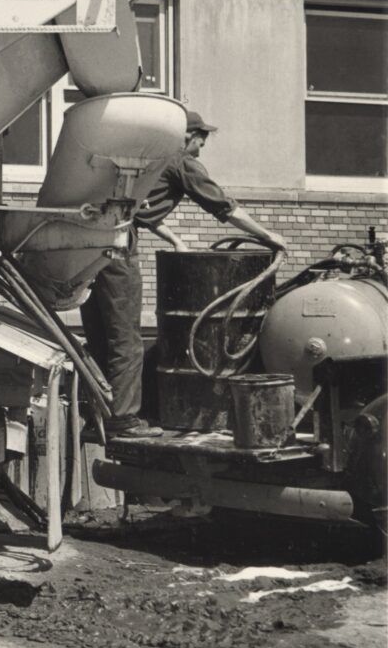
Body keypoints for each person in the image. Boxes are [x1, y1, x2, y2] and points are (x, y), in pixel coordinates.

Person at [83, 105, 288, 436]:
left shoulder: (149, 158)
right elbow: (224, 207)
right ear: (187, 137)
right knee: (127, 338)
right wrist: (266, 235)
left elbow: (144, 213)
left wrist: (175, 238)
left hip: (88, 241)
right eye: (201, 140)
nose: (202, 148)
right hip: (118, 243)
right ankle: (123, 420)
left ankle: (97, 417)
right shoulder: (180, 161)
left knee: (99, 333)